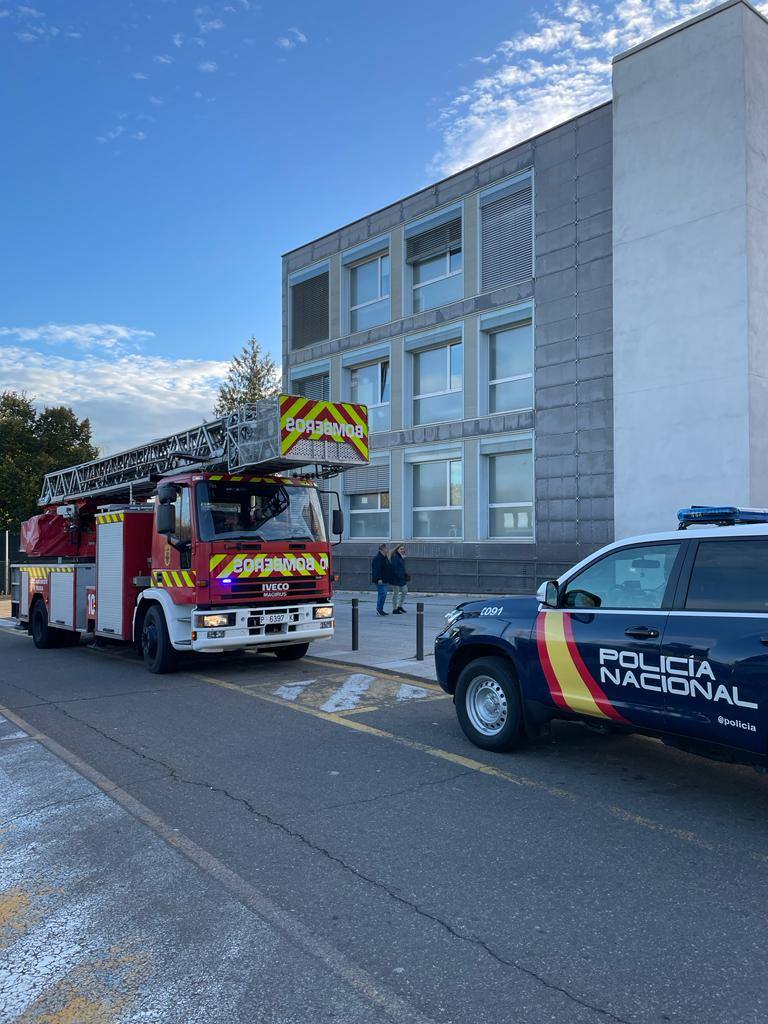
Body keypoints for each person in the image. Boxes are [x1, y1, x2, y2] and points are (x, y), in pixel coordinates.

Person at [370, 543, 391, 616]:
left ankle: (380, 609)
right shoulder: (378, 558)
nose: (387, 549)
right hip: (380, 580)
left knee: (382, 594)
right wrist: (379, 578)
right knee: (383, 594)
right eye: (385, 548)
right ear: (382, 549)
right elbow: (377, 569)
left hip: (385, 579)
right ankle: (379, 609)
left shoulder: (384, 557)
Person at [389, 544, 409, 614]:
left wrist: (405, 574)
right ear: (397, 550)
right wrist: (400, 575)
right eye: (401, 549)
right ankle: (394, 609)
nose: (402, 550)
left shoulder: (401, 557)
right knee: (396, 593)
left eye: (403, 549)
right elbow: (394, 568)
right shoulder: (395, 557)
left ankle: (399, 606)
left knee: (405, 590)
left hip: (401, 578)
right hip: (395, 578)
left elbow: (401, 568)